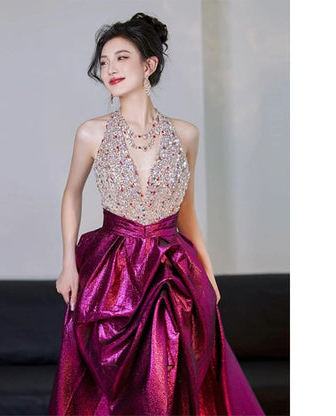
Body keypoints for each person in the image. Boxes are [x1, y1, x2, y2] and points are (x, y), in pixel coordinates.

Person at [48, 12, 265, 416]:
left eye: (121, 58)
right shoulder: (91, 132)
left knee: (173, 383)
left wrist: (208, 271)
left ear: (149, 65)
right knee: (112, 388)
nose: (110, 69)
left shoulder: (186, 134)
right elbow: (71, 194)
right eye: (104, 61)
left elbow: (187, 210)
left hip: (172, 269)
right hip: (112, 271)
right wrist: (67, 264)